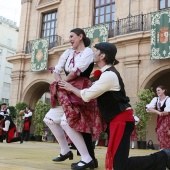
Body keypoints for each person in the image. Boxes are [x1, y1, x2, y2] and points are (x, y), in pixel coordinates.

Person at [58, 42, 170, 170]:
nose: (93, 53)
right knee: (117, 164)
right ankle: (163, 157)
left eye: (96, 51)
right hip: (117, 121)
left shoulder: (109, 75)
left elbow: (87, 95)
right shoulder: (106, 74)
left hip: (121, 121)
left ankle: (163, 156)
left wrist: (70, 87)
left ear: (102, 56)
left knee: (119, 166)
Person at [47, 28, 106, 169]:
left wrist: (63, 83)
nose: (70, 39)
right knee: (50, 119)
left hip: (80, 88)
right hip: (66, 87)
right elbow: (57, 69)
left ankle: (89, 159)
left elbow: (75, 72)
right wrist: (61, 83)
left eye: (72, 36)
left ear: (81, 36)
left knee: (79, 123)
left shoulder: (88, 52)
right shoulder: (68, 52)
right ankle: (66, 151)